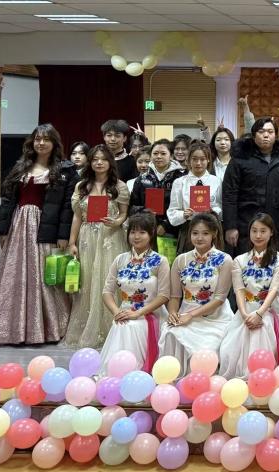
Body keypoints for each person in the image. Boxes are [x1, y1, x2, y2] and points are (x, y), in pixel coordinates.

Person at [0, 124, 76, 345]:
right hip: (19, 226)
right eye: (37, 139)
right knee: (14, 275)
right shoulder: (20, 167)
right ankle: (14, 329)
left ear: (54, 143)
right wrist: (3, 229)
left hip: (45, 227)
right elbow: (8, 200)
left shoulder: (64, 171)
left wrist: (63, 234)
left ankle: (48, 328)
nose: (41, 143)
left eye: (46, 139)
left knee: (45, 276)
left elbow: (67, 207)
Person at [64, 144, 130, 348]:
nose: (99, 163)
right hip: (86, 237)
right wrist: (72, 242)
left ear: (110, 162)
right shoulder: (81, 186)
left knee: (109, 279)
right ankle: (90, 329)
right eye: (95, 159)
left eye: (103, 159)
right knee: (88, 280)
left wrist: (116, 222)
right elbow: (77, 216)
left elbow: (124, 213)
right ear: (90, 162)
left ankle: (112, 329)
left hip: (111, 237)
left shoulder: (119, 186)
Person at [158, 213, 234, 375]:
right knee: (170, 332)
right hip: (185, 315)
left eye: (205, 233)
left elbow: (219, 299)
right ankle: (175, 379)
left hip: (215, 318)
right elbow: (175, 297)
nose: (199, 238)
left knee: (206, 349)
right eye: (195, 233)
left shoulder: (225, 260)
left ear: (214, 234)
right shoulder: (181, 260)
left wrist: (191, 315)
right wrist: (173, 313)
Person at [219, 214, 279, 378]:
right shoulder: (239, 260)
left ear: (271, 233)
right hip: (245, 309)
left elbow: (274, 290)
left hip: (270, 309)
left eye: (263, 231)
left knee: (261, 329)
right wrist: (245, 315)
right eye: (254, 231)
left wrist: (259, 314)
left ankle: (259, 375)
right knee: (228, 348)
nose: (258, 235)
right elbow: (239, 290)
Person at [98, 211, 170, 374]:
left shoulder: (160, 261)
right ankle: (118, 372)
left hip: (151, 314)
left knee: (131, 325)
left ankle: (135, 372)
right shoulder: (120, 259)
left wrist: (138, 313)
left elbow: (164, 295)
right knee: (123, 323)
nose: (136, 236)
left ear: (151, 234)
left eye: (142, 232)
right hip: (125, 312)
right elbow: (107, 291)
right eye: (133, 232)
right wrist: (116, 312)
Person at [224, 118, 279, 254]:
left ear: (276, 135)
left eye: (270, 132)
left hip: (276, 225)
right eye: (261, 132)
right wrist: (230, 226)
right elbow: (229, 193)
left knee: (274, 263)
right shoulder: (240, 158)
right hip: (246, 225)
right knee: (246, 262)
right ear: (253, 135)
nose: (266, 135)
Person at [167, 142, 223, 254]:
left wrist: (212, 211)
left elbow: (220, 206)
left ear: (208, 160)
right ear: (188, 160)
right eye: (194, 159)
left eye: (202, 159)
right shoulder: (179, 182)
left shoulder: (216, 181)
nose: (198, 163)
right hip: (189, 228)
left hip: (210, 228)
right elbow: (172, 211)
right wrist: (183, 214)